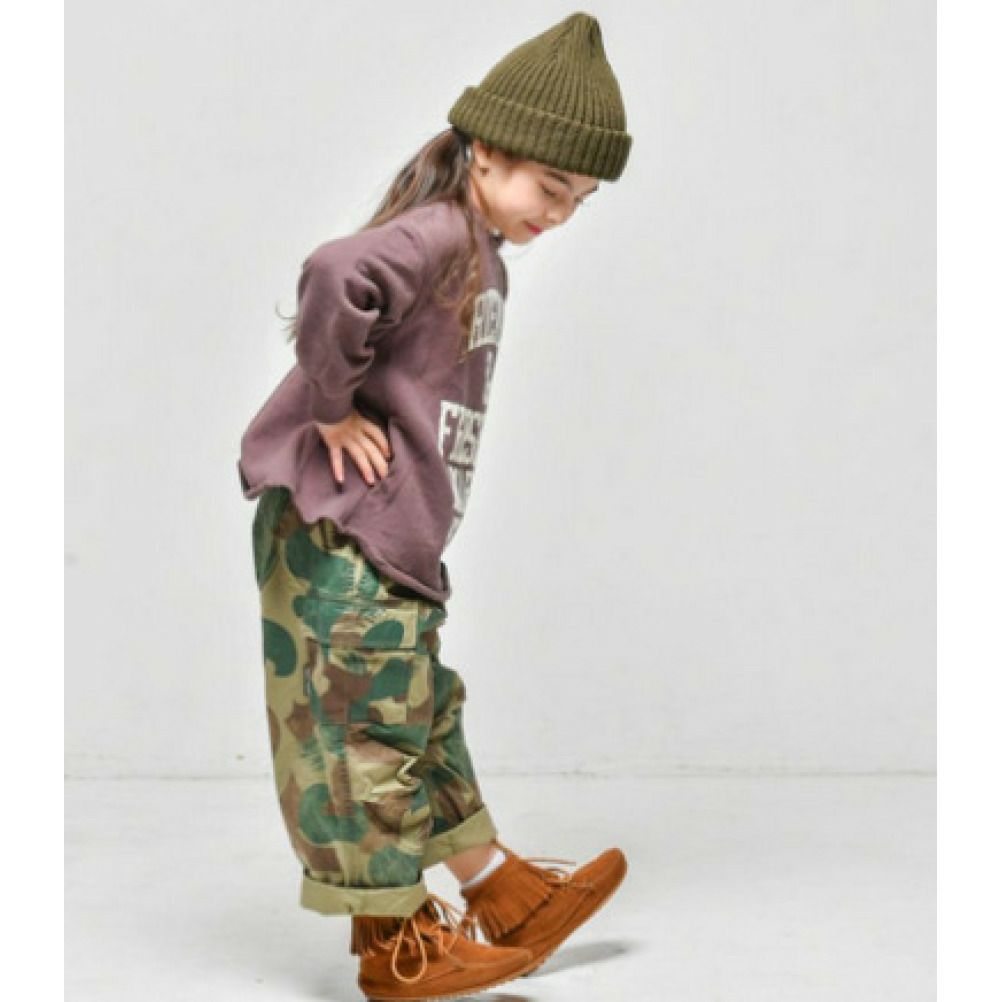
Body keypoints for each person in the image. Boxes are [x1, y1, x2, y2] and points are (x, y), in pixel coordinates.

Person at [238, 12, 633, 1000]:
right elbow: (338, 270)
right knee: (359, 736)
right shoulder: (441, 234)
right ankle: (395, 945)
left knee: (417, 715)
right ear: (488, 151)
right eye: (552, 187)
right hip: (341, 537)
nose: (562, 213)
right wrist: (332, 408)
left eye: (580, 200)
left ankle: (502, 893)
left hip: (394, 542)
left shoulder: (479, 247)